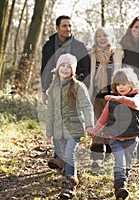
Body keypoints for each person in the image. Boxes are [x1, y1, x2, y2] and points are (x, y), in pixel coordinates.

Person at [41, 15, 91, 170]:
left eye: (70, 26)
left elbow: (88, 69)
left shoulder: (80, 46)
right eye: (64, 26)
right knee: (57, 115)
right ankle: (60, 157)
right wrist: (44, 90)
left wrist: (86, 88)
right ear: (57, 28)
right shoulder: (49, 46)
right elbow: (45, 69)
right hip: (56, 86)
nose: (68, 29)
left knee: (70, 117)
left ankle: (65, 162)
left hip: (75, 87)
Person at [88, 68, 139, 200]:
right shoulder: (111, 100)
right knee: (119, 162)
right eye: (118, 85)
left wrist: (118, 98)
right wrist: (95, 130)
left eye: (124, 84)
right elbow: (103, 118)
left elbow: (134, 104)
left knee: (128, 164)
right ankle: (119, 187)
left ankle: (124, 179)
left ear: (131, 83)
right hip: (116, 139)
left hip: (131, 138)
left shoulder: (136, 96)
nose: (121, 87)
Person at [46, 53, 94, 199]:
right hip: (58, 130)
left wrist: (89, 124)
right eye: (63, 65)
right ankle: (66, 171)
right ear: (58, 68)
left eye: (69, 67)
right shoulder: (53, 88)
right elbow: (50, 112)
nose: (65, 69)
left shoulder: (78, 87)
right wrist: (49, 132)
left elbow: (86, 106)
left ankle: (69, 185)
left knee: (69, 154)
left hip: (74, 127)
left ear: (73, 71)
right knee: (62, 155)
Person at [88, 27, 123, 168]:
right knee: (98, 125)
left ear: (109, 38)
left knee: (109, 125)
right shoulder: (91, 54)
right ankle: (96, 158)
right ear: (95, 38)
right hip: (97, 95)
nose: (102, 38)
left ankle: (108, 152)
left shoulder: (116, 53)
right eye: (99, 36)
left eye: (105, 36)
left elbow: (120, 72)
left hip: (112, 94)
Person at [119, 16, 139, 162]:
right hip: (129, 89)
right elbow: (119, 68)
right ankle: (128, 151)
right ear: (131, 27)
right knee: (129, 119)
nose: (138, 30)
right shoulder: (123, 44)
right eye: (136, 27)